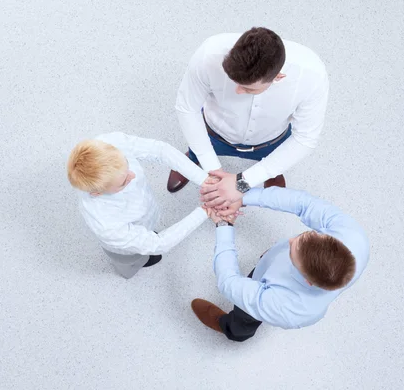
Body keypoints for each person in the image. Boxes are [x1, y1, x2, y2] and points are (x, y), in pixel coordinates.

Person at [168, 27, 329, 215]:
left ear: (279, 77)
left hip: (271, 141)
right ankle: (194, 157)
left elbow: (305, 139)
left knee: (276, 161)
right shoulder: (208, 55)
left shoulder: (311, 75)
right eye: (233, 81)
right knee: (198, 149)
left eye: (248, 89)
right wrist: (213, 169)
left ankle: (272, 171)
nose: (237, 91)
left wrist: (243, 182)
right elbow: (187, 109)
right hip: (215, 132)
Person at [192, 186, 369, 342]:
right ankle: (271, 258)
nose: (290, 240)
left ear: (307, 281)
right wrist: (242, 196)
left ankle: (232, 330)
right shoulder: (352, 235)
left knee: (245, 317)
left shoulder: (289, 309)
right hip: (277, 271)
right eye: (303, 236)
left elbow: (228, 282)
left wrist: (224, 224)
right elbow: (303, 203)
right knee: (277, 253)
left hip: (268, 296)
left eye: (292, 251)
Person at [67, 132, 211, 279]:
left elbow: (161, 150)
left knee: (148, 241)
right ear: (97, 193)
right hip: (125, 251)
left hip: (145, 219)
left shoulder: (107, 145)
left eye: (127, 164)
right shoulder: (106, 224)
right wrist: (205, 211)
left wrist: (206, 182)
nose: (133, 175)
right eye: (123, 182)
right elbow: (159, 244)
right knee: (131, 264)